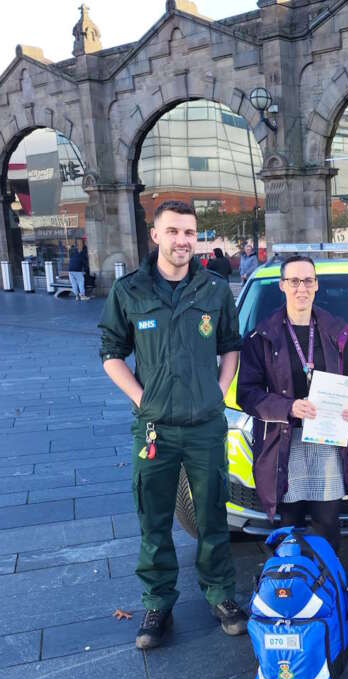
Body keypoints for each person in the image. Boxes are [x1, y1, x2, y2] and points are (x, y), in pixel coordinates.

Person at [99, 200, 248, 650]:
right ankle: (158, 603)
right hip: (154, 430)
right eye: (174, 231)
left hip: (205, 426)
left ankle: (221, 595)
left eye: (190, 232)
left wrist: (219, 393)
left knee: (212, 515)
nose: (183, 240)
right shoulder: (130, 291)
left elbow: (230, 347)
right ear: (156, 236)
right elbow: (111, 353)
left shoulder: (214, 290)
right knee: (154, 517)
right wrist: (143, 399)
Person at [236, 255, 348, 551]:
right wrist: (288, 408)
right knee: (289, 526)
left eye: (308, 281)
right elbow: (246, 394)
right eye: (294, 281)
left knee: (327, 524)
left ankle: (329, 586)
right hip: (286, 443)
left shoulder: (336, 331)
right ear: (282, 286)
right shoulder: (261, 336)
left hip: (327, 442)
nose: (302, 288)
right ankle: (292, 587)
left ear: (316, 285)